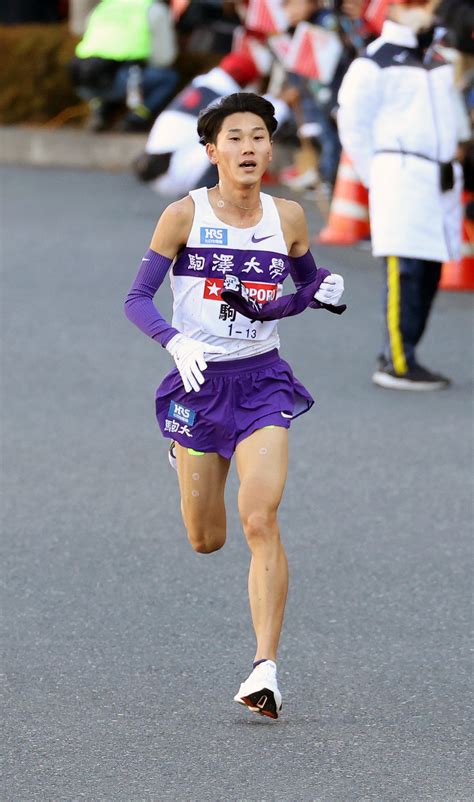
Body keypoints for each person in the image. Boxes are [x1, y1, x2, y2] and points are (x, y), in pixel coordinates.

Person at [124, 92, 345, 719]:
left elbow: (307, 284)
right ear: (211, 151)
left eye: (259, 137)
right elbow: (136, 299)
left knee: (260, 518)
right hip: (199, 384)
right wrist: (175, 341)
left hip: (262, 382)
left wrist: (325, 289)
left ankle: (264, 668)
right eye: (236, 138)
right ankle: (182, 449)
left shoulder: (290, 216)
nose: (249, 148)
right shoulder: (183, 216)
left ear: (271, 147)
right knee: (207, 539)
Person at [338, 0, 465, 390]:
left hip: (438, 175)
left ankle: (407, 353)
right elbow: (352, 122)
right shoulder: (373, 62)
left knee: (430, 269)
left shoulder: (440, 61)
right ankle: (396, 360)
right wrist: (376, 174)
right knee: (405, 269)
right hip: (400, 173)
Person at [133, 52, 262, 194]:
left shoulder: (201, 83)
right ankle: (209, 202)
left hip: (159, 166)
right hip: (175, 171)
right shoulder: (226, 100)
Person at [69, 0, 178, 132]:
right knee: (169, 78)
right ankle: (137, 117)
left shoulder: (104, 6)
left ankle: (100, 108)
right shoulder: (153, 9)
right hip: (122, 80)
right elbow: (164, 59)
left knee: (107, 79)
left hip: (81, 78)